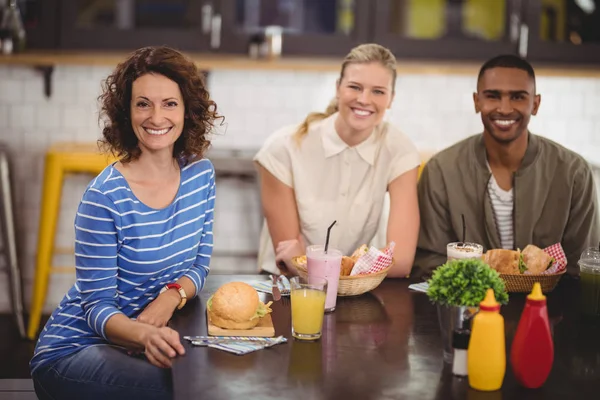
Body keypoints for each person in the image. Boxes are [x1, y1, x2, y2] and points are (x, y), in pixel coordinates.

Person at [30, 46, 221, 400]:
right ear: (126, 112)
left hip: (143, 338)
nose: (156, 117)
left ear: (187, 111)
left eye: (170, 103)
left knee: (203, 374)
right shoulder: (105, 197)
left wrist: (171, 297)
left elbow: (200, 264)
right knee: (186, 386)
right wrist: (143, 334)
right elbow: (96, 309)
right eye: (143, 103)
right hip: (74, 351)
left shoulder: (200, 175)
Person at [414, 54, 600, 279]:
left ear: (536, 103)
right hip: (469, 307)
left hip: (549, 310)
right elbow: (428, 263)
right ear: (476, 101)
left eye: (518, 97)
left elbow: (582, 266)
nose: (504, 108)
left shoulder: (574, 173)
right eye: (493, 96)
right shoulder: (441, 171)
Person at [254, 43, 421, 278]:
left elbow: (401, 261)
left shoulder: (399, 150)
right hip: (284, 286)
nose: (364, 99)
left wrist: (314, 264)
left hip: (352, 288)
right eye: (355, 87)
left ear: (391, 99)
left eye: (378, 91)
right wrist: (363, 266)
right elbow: (289, 262)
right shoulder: (283, 149)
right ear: (338, 88)